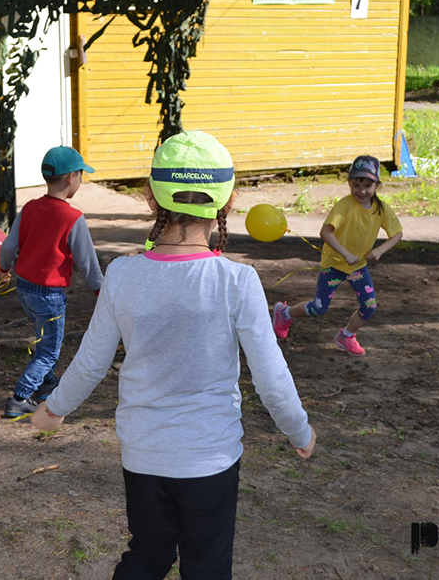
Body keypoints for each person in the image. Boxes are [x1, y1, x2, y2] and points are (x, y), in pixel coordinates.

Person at [31, 131, 315, 579]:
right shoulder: (237, 281)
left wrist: (55, 408)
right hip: (210, 459)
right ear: (228, 202)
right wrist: (300, 430)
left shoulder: (122, 274)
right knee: (207, 568)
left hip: (143, 456)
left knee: (147, 556)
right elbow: (271, 377)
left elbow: (91, 361)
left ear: (149, 197)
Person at [0, 145, 104, 417]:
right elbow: (87, 262)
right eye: (81, 175)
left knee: (43, 337)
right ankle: (20, 398)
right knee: (48, 352)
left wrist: (3, 268)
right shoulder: (72, 217)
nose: (80, 180)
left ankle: (46, 385)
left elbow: (8, 246)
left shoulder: (30, 208)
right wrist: (101, 292)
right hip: (49, 296)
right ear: (71, 178)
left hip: (24, 289)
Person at [272, 155, 403, 356]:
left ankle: (347, 335)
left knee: (369, 307)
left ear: (377, 185)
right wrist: (345, 253)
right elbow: (325, 232)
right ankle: (284, 313)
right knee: (318, 308)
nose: (361, 191)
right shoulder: (345, 206)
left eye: (367, 186)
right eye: (356, 185)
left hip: (357, 267)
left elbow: (397, 234)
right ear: (349, 183)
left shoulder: (381, 209)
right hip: (334, 265)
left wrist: (379, 250)